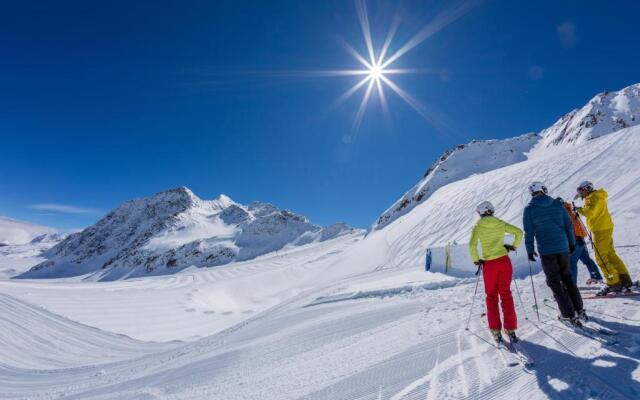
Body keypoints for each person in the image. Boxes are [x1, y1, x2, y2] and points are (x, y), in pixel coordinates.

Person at [523, 182, 586, 326]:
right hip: (563, 247)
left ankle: (568, 315)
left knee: (554, 281)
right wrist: (571, 243)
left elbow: (529, 232)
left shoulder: (529, 209)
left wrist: (530, 250)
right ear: (543, 190)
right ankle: (579, 309)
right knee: (567, 278)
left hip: (546, 250)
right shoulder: (557, 204)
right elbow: (568, 225)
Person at [469, 200, 523, 344]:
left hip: (489, 265)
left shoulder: (478, 227)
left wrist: (476, 259)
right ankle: (510, 329)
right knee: (506, 294)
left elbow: (472, 245)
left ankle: (495, 329)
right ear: (491, 211)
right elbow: (519, 232)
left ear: (480, 213)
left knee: (491, 296)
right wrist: (512, 246)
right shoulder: (500, 223)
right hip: (504, 262)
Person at [575, 181, 634, 295]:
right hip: (605, 227)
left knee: (601, 258)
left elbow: (590, 213)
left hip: (600, 230)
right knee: (610, 254)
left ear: (587, 189)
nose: (581, 193)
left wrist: (579, 210)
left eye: (581, 191)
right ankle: (624, 279)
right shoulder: (597, 196)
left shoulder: (593, 198)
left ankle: (614, 283)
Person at [561, 200, 603, 285]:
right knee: (586, 259)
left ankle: (571, 285)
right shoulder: (570, 210)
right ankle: (596, 277)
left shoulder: (564, 213)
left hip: (574, 240)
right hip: (580, 238)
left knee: (571, 262)